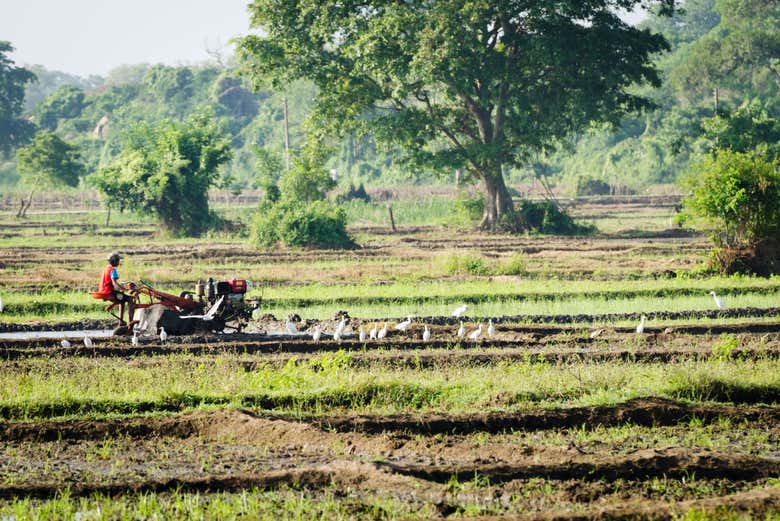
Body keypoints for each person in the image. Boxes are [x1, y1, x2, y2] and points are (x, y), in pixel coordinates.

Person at [97, 251, 135, 323]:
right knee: (130, 299)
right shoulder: (113, 270)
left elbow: (110, 282)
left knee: (122, 300)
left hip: (104, 291)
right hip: (109, 292)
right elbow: (114, 283)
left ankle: (121, 323)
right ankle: (130, 322)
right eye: (118, 261)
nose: (119, 262)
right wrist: (124, 289)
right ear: (114, 261)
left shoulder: (106, 268)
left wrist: (121, 286)